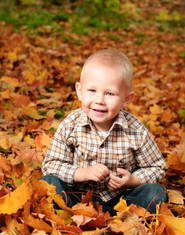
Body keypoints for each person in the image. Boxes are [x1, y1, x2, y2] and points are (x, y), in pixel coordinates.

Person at [41, 48, 168, 215]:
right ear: (79, 91)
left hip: (122, 199)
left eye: (110, 93)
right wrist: (81, 173)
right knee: (48, 183)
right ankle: (72, 218)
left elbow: (157, 168)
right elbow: (50, 165)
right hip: (78, 198)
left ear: (126, 99)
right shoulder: (71, 125)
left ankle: (124, 223)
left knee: (156, 193)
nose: (99, 100)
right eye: (92, 91)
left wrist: (133, 180)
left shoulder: (136, 131)